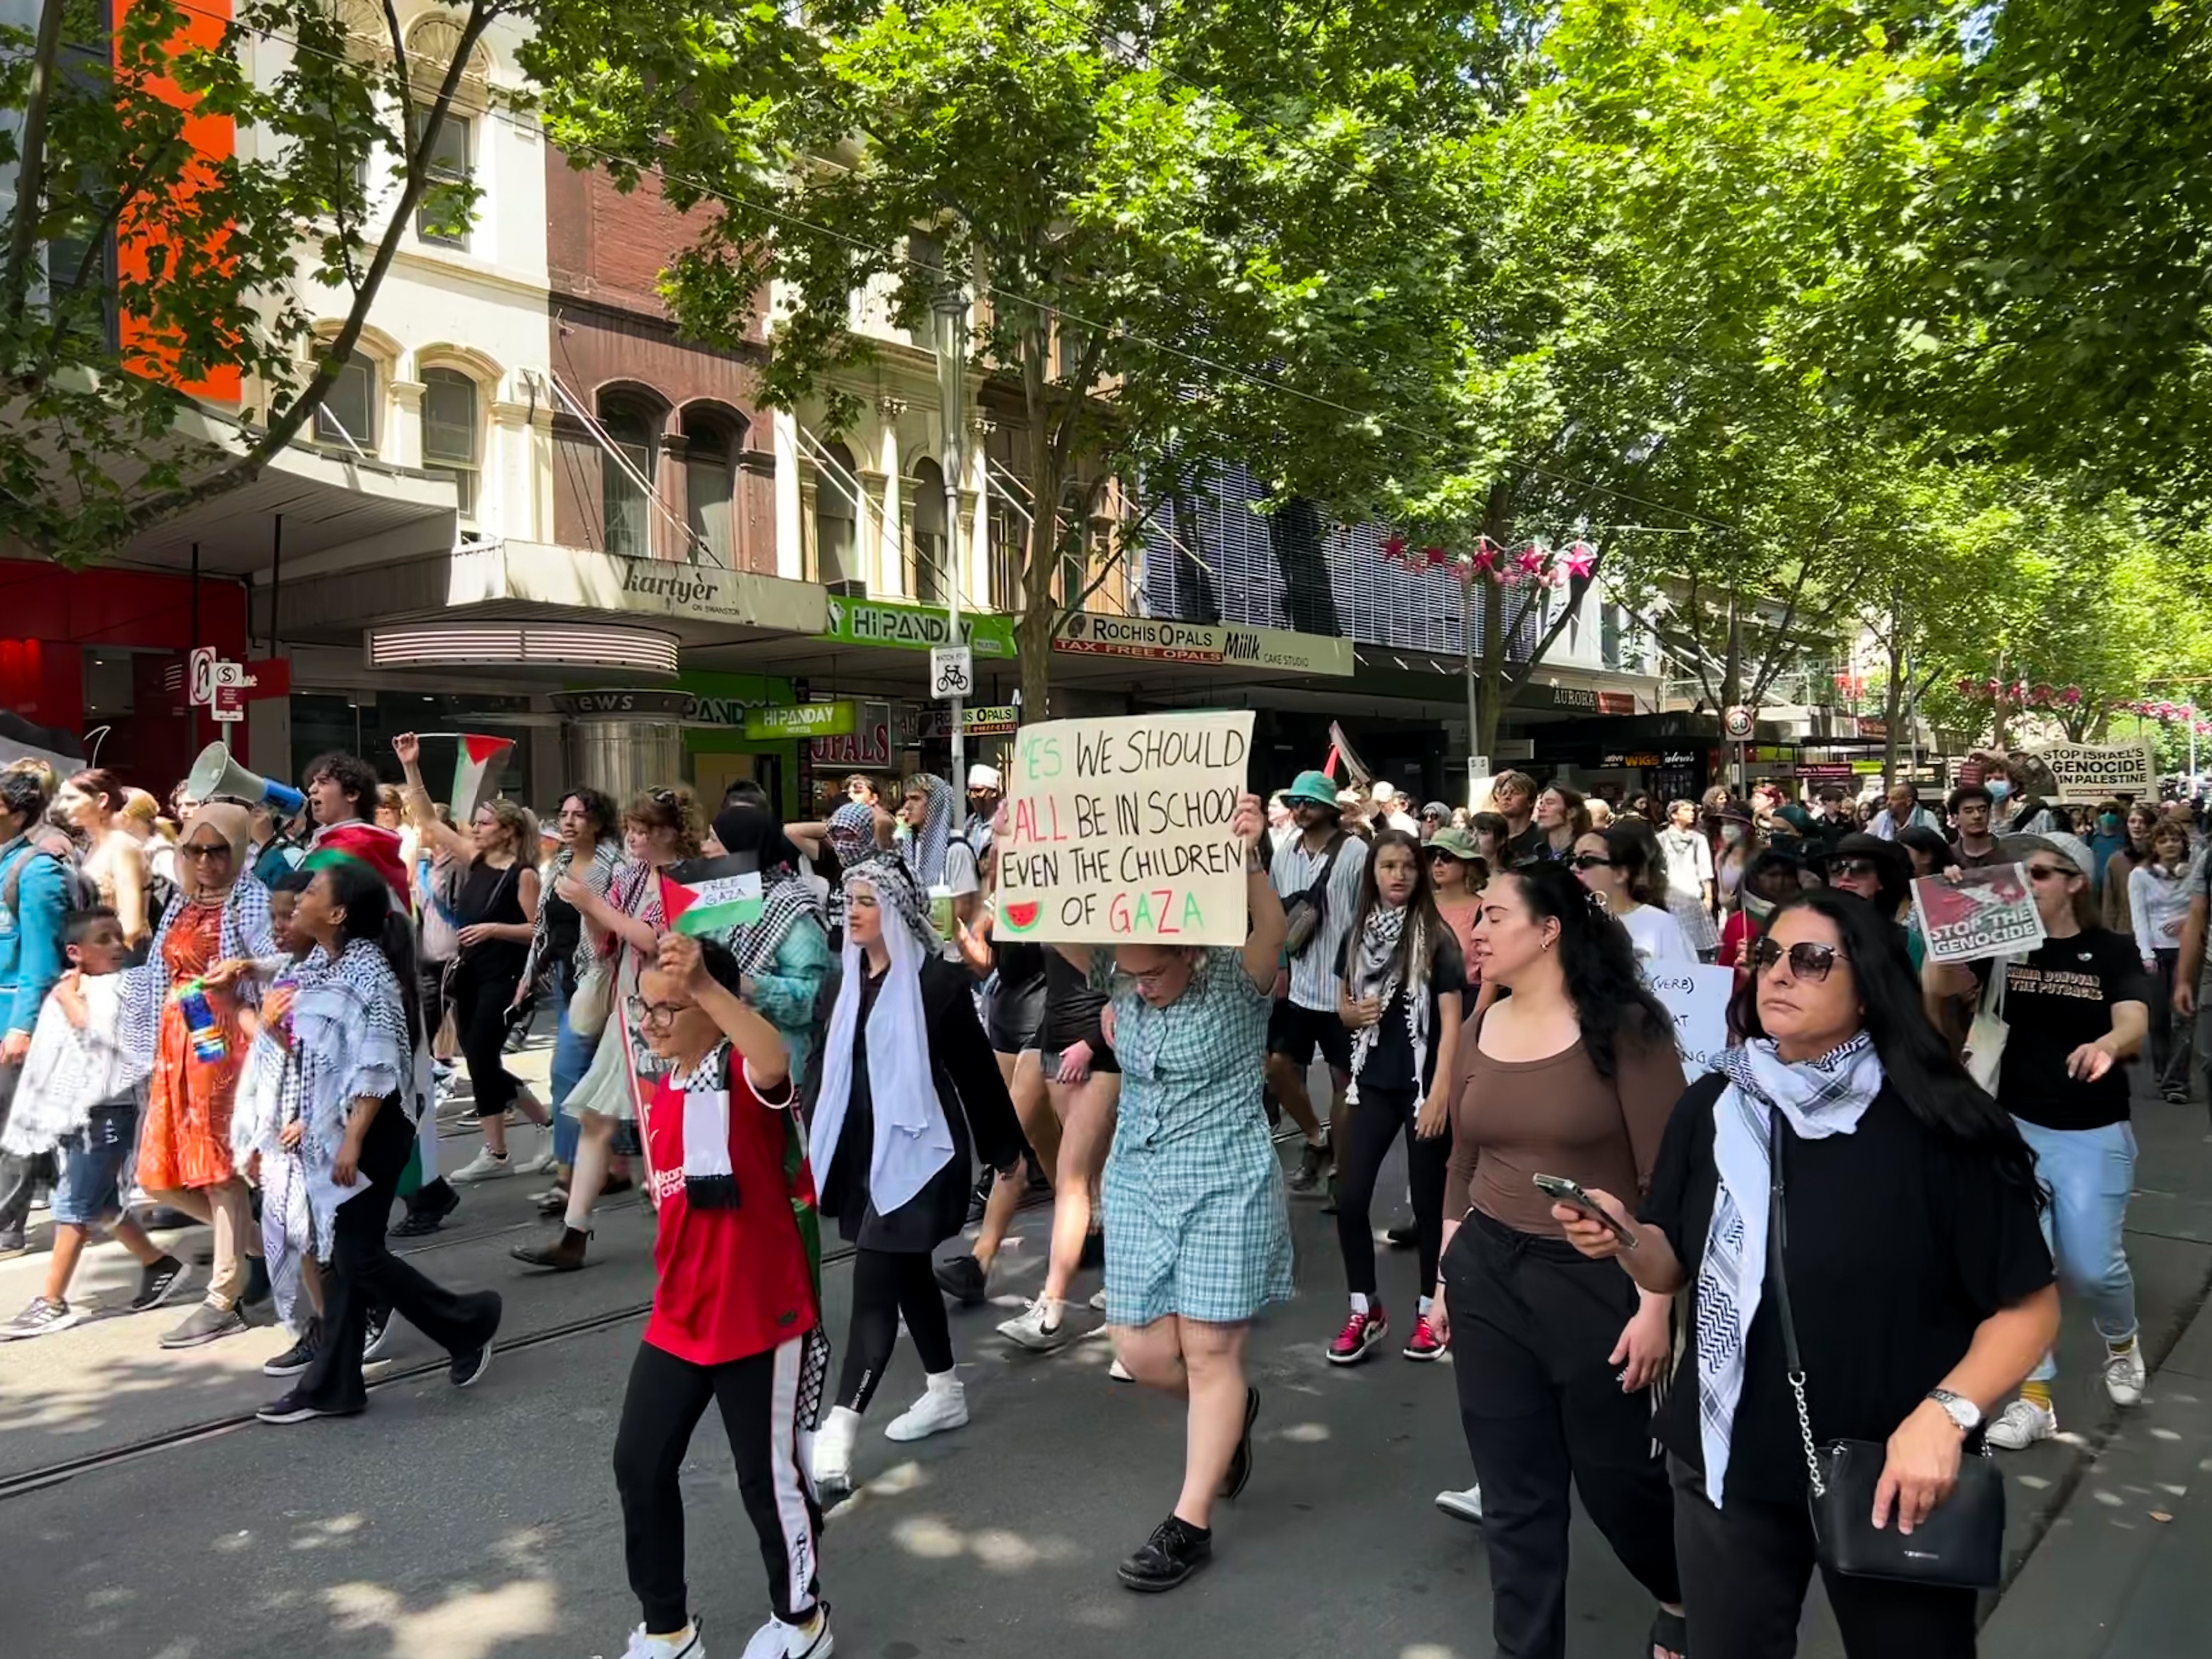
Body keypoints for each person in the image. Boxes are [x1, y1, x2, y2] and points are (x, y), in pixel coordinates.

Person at [1558, 887, 2058, 1658]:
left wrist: (1944, 1419)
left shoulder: (1940, 1123)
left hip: (1894, 1468)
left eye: (1812, 960)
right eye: (1767, 956)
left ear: (1871, 987)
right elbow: (1671, 1262)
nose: (1778, 974)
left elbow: (2029, 1308)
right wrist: (1623, 1237)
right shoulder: (1717, 1103)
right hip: (1727, 1458)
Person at [1430, 859, 1687, 1659]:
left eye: (1495, 917)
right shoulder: (1483, 1022)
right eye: (1476, 918)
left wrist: (1653, 1306)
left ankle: (1685, 1595)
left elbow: (1666, 1183)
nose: (1476, 930)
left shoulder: (1628, 1029)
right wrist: (1447, 1278)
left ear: (1549, 931)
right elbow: (1463, 1165)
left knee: (1618, 1483)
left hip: (1598, 1283)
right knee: (1515, 1494)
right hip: (1487, 1276)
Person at [1043, 792, 1288, 1591]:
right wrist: (1026, 852)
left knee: (1212, 1350)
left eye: (1154, 971)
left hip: (1224, 1179)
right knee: (1145, 1356)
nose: (1140, 985)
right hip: (1143, 1182)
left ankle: (1189, 1522)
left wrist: (1250, 854)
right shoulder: (1119, 973)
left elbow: (1273, 932)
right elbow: (1056, 924)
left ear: (1189, 951)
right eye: (1131, 973)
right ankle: (1230, 1414)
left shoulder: (1237, 981)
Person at [607, 933, 833, 1659]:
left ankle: (803, 1620)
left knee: (769, 1480)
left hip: (760, 1313)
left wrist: (704, 985)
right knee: (639, 1465)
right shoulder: (665, 1084)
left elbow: (775, 1060)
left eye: (671, 1009)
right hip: (681, 1314)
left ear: (715, 1004)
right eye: (647, 1009)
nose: (654, 1023)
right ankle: (666, 1629)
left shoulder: (742, 1074)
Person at [805, 853, 1025, 1494]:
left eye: (867, 901)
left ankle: (840, 1429)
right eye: (848, 901)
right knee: (902, 1274)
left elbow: (978, 1075)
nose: (853, 912)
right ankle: (944, 1391)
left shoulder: (936, 986)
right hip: (858, 1158)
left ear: (896, 912)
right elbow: (821, 1071)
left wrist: (1006, 1152)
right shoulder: (838, 985)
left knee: (875, 1279)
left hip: (920, 1156)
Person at [1925, 832, 2151, 1449]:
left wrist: (2107, 1045)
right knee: (2028, 1270)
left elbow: (2134, 1019)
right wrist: (1948, 920)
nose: (2028, 883)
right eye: (2021, 873)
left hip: (2092, 1133)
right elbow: (1941, 988)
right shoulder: (2007, 944)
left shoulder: (2110, 950)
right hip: (2014, 1128)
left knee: (2093, 1267)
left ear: (2075, 882)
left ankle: (2123, 1341)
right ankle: (2035, 1399)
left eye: (2043, 874)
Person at [256, 858, 501, 1423]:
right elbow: (317, 1052)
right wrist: (274, 1032)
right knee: (348, 1257)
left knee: (354, 1254)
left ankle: (468, 1320)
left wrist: (352, 1142)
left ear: (338, 913)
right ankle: (337, 1383)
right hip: (336, 1129)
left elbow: (377, 1068)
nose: (301, 897)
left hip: (374, 1129)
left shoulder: (370, 977)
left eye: (313, 890)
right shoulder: (321, 963)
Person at [518, 786, 700, 1272]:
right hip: (632, 1007)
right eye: (633, 830)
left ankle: (681, 1233)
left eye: (644, 831)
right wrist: (584, 906)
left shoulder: (684, 879)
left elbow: (658, 940)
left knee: (668, 1126)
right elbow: (608, 939)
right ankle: (574, 1233)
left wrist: (592, 905)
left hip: (671, 1017)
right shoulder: (635, 875)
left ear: (668, 833)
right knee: (599, 1117)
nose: (635, 839)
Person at [125, 803, 275, 1346]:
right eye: (195, 850)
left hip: (222, 1043)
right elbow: (161, 969)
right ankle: (261, 1243)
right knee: (158, 1175)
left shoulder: (251, 895)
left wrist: (248, 967)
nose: (207, 860)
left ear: (237, 850)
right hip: (179, 1038)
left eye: (219, 850)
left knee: (218, 1171)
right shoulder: (185, 900)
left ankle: (224, 1295)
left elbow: (284, 960)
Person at [0, 909, 187, 1338]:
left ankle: (52, 1300)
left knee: (73, 1208)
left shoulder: (120, 988)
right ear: (75, 952)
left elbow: (105, 1040)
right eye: (104, 939)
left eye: (119, 937)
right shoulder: (73, 988)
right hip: (76, 1115)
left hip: (107, 1114)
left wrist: (71, 1003)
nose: (118, 947)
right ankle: (158, 1264)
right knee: (99, 1202)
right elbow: (55, 1051)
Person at [1329, 828, 1463, 1363]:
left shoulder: (1438, 937)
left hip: (1424, 1087)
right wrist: (1349, 1014)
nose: (1399, 876)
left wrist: (1440, 1095)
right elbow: (1342, 1007)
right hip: (1372, 1084)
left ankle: (1432, 1311)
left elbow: (1452, 1025)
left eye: (1408, 865)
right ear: (1373, 875)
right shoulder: (1357, 935)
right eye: (1388, 866)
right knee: (1351, 1197)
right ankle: (1366, 1308)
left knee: (1430, 1206)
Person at [394, 734, 547, 1181]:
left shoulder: (523, 875)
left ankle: (499, 1150)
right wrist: (412, 768)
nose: (475, 828)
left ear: (508, 831)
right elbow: (427, 819)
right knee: (480, 1059)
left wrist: (497, 929)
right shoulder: (475, 858)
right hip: (472, 974)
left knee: (480, 1053)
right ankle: (533, 1130)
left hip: (506, 976)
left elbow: (540, 931)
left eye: (484, 823)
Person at [938, 841, 1058, 1307]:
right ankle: (1089, 1214)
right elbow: (987, 963)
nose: (991, 862)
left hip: (1044, 1023)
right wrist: (954, 933)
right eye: (991, 856)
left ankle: (981, 1260)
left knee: (1011, 1139)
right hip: (1005, 1022)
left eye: (1002, 854)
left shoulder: (1058, 895)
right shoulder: (996, 903)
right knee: (1045, 1142)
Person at [994, 944, 1122, 1351]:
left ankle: (1051, 1309)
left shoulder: (1098, 896)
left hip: (1099, 1047)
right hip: (1058, 1039)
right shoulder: (1051, 897)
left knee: (1072, 1176)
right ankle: (1126, 1287)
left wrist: (1091, 1044)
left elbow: (1115, 971)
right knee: (1097, 1177)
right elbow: (1019, 968)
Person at [521, 788, 623, 1207]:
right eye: (563, 814)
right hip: (567, 980)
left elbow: (621, 924)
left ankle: (569, 1178)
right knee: (592, 1077)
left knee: (567, 1073)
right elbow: (543, 927)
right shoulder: (560, 864)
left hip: (604, 980)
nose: (568, 822)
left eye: (579, 815)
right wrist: (529, 974)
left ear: (597, 822)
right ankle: (611, 1168)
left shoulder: (616, 865)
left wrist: (591, 909)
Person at [1265, 768, 1364, 1195]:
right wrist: (1280, 967)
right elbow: (1272, 911)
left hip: (1343, 988)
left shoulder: (1356, 852)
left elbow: (1368, 917)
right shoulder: (1286, 850)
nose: (1299, 809)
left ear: (1330, 808)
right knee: (1279, 1067)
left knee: (1345, 1082)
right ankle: (1315, 1138)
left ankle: (1342, 1166)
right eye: (1294, 802)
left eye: (1307, 802)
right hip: (1300, 987)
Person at [0, 768, 69, 1257]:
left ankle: (7, 1225)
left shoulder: (36, 870)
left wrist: (22, 1025)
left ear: (17, 813)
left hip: (14, 1014)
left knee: (11, 1125)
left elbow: (41, 958)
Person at [2128, 819, 2198, 1103]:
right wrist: (2145, 953)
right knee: (2158, 1019)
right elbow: (2139, 917)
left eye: (2175, 840)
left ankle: (2177, 1081)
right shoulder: (2140, 876)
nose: (2170, 845)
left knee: (2184, 1017)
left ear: (2184, 844)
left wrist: (2187, 921)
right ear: (2154, 846)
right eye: (2164, 840)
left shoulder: (2196, 874)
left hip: (2188, 951)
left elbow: (2204, 909)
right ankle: (2162, 1072)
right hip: (2155, 951)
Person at [1572, 823, 1697, 972]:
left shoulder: (1661, 925)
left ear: (1620, 873)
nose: (1574, 867)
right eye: (1571, 859)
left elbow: (1684, 986)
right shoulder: (1566, 922)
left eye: (1586, 860)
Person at [55, 769, 149, 950]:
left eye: (71, 798)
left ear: (102, 800)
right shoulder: (95, 846)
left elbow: (131, 925)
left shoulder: (122, 847)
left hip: (121, 958)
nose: (62, 807)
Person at [1718, 847, 1804, 975]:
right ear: (1756, 878)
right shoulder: (1740, 923)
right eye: (1773, 875)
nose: (1781, 882)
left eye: (1787, 875)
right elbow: (1724, 972)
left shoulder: (1804, 916)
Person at [1656, 800, 1719, 960]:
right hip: (1670, 896)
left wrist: (1708, 896)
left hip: (1693, 895)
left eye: (1692, 810)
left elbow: (1705, 869)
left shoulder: (1699, 839)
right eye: (1686, 810)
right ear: (1674, 815)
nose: (1691, 813)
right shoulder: (1661, 839)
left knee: (1698, 946)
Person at [2102, 800, 2160, 937]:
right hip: (2126, 929)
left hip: (2156, 930)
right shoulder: (2117, 860)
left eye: (2142, 822)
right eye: (2133, 821)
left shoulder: (2160, 859)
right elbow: (2110, 900)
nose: (2137, 826)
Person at [1487, 771, 1541, 863]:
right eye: (1504, 793)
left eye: (1515, 793)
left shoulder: (1542, 837)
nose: (1507, 797)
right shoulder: (1491, 838)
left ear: (1531, 802)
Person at [1531, 783, 1592, 863]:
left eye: (1550, 803)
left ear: (1571, 813)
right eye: (1541, 803)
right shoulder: (1537, 852)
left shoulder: (1586, 852)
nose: (1541, 808)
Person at [1870, 780, 1942, 842]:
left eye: (1894, 799)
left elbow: (1941, 844)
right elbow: (1867, 839)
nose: (1888, 803)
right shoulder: (1882, 816)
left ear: (1909, 801)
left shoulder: (1926, 817)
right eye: (1888, 798)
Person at [963, 763, 1002, 854]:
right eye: (971, 791)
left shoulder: (1005, 824)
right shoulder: (970, 824)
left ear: (993, 793)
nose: (973, 796)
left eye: (978, 791)